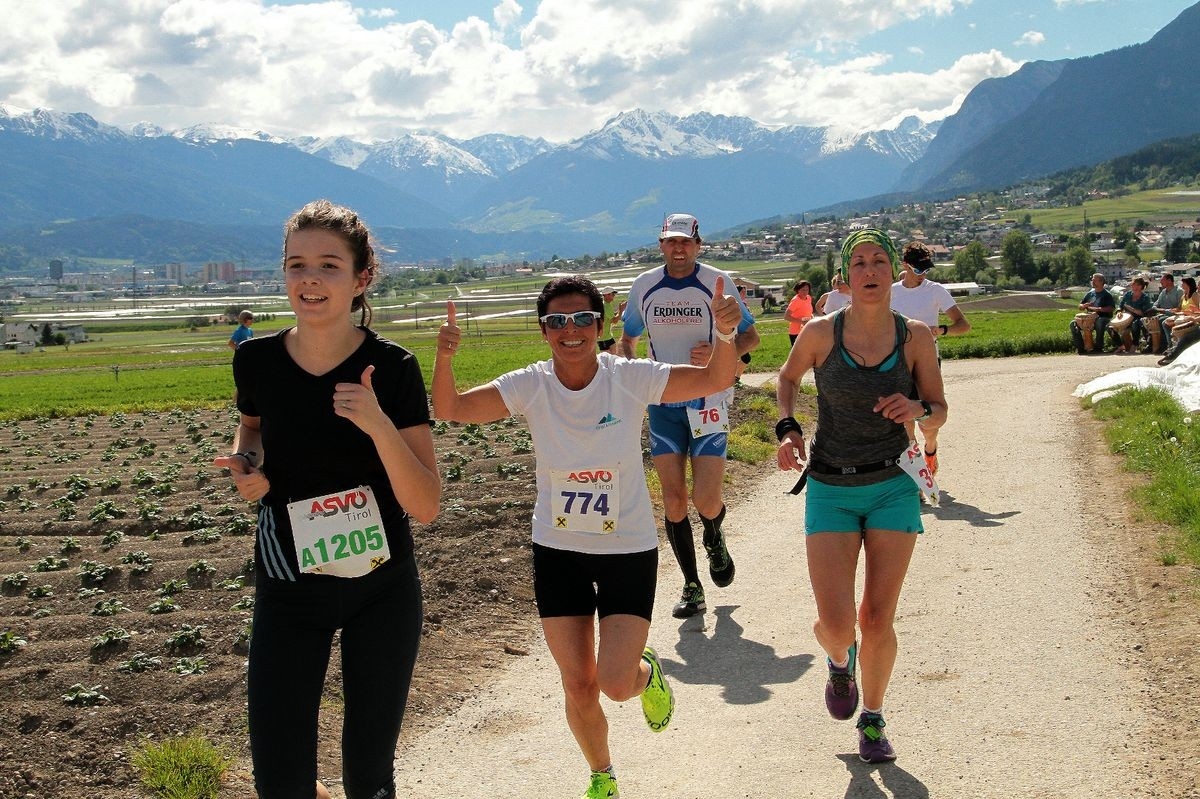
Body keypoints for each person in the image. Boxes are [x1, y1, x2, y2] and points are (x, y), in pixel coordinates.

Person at [432, 275, 742, 799]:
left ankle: (644, 673)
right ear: (543, 331)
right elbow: (451, 409)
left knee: (614, 683)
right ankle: (602, 775)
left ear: (598, 326)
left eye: (581, 319)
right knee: (578, 683)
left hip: (626, 548)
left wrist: (727, 337)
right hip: (558, 551)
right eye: (557, 321)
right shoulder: (531, 384)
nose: (570, 329)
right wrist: (444, 356)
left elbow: (713, 377)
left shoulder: (627, 377)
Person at [213, 200, 441, 799]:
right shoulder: (255, 359)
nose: (309, 278)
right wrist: (249, 467)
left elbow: (426, 503)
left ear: (361, 278)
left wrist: (378, 424)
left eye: (328, 265)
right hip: (288, 589)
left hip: (381, 589)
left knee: (368, 779)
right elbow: (253, 431)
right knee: (281, 781)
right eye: (296, 264)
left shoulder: (392, 368)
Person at [775, 228, 946, 765]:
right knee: (833, 622)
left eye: (879, 261)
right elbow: (787, 378)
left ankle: (872, 719)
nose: (869, 271)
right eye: (859, 263)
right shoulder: (822, 333)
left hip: (893, 484)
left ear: (892, 271)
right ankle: (838, 660)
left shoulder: (916, 337)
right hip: (830, 485)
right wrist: (787, 428)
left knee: (877, 617)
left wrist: (917, 410)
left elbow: (939, 407)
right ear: (847, 277)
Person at [620, 213, 760, 619]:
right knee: (674, 500)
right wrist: (632, 378)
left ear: (698, 245)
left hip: (708, 401)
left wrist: (725, 355)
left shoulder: (717, 282)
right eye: (671, 242)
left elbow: (750, 335)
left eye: (686, 242)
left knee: (706, 498)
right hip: (662, 403)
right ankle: (692, 585)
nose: (678, 248)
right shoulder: (644, 286)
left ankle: (715, 537)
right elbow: (628, 339)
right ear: (661, 245)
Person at [889, 241, 971, 476]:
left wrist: (940, 330)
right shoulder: (892, 292)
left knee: (929, 421)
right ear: (905, 265)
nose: (923, 274)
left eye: (926, 270)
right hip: (899, 363)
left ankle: (931, 450)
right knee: (905, 420)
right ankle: (917, 477)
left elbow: (963, 325)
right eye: (918, 270)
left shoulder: (935, 290)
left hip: (928, 362)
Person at [1070, 273, 1115, 354]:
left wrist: (1098, 309)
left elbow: (1111, 308)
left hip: (1103, 318)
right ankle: (1081, 347)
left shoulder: (1107, 294)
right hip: (1090, 318)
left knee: (1099, 321)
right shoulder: (1090, 293)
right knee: (1073, 324)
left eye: (1094, 280)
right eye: (1092, 280)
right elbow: (1080, 306)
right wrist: (1083, 306)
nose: (1092, 282)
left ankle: (1098, 347)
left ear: (1101, 282)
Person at [1110, 276, 1154, 353]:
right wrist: (1119, 312)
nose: (1135, 287)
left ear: (1142, 286)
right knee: (1110, 326)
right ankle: (1120, 346)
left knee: (1135, 323)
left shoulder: (1145, 297)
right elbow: (1120, 305)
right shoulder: (1127, 295)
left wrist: (1132, 309)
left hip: (1138, 318)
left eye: (1137, 285)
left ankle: (1135, 344)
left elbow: (1143, 313)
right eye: (1133, 285)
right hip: (1125, 317)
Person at [1143, 272, 1184, 354]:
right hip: (1162, 313)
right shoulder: (1163, 292)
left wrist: (1160, 310)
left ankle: (1165, 345)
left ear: (1169, 281)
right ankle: (1150, 344)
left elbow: (1179, 309)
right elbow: (1156, 304)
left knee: (1161, 320)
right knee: (1144, 321)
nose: (1161, 282)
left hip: (1174, 314)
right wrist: (1153, 309)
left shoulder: (1179, 291)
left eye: (1162, 280)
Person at [784, 281, 814, 346]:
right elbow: (786, 316)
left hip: (807, 329)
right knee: (799, 355)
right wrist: (801, 322)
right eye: (803, 290)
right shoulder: (796, 300)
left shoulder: (808, 298)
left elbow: (808, 312)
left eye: (807, 290)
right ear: (798, 290)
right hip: (796, 332)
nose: (805, 292)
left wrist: (812, 319)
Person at [598, 286, 620, 352]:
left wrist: (619, 311)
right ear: (606, 295)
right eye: (612, 294)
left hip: (607, 336)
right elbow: (614, 321)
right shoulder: (606, 306)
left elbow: (611, 316)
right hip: (603, 337)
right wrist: (621, 310)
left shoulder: (606, 304)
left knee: (614, 354)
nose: (614, 296)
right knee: (607, 358)